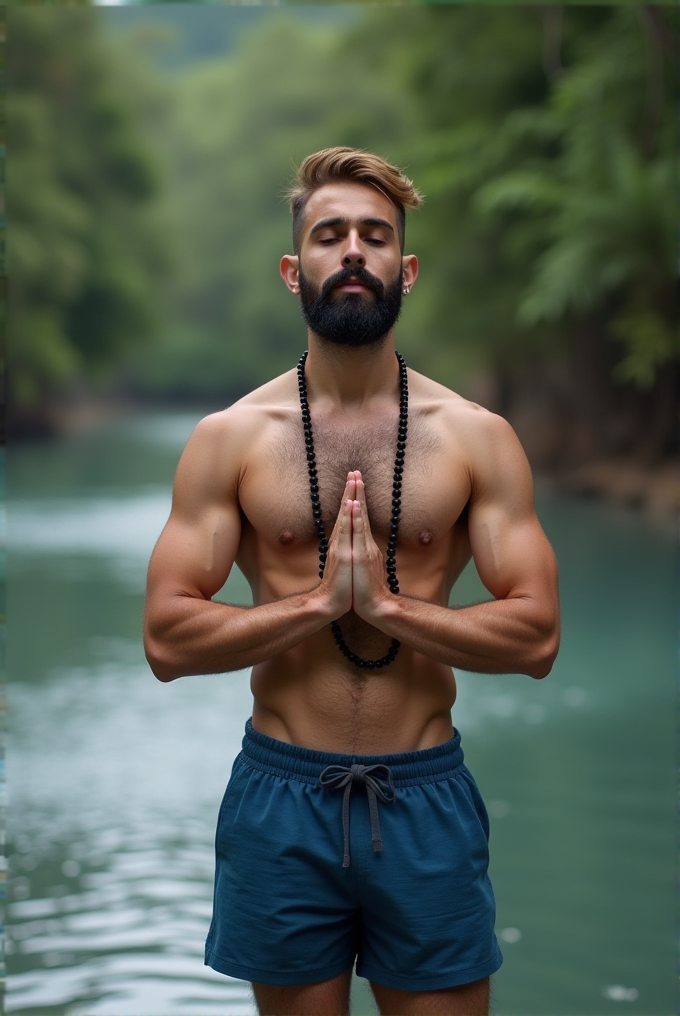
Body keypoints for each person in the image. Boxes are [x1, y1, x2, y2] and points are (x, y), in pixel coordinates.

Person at [144, 146, 560, 1016]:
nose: (354, 253)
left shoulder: (477, 436)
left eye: (375, 236)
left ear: (405, 268)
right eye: (330, 235)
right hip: (280, 799)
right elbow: (167, 640)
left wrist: (387, 609)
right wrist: (321, 605)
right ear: (295, 270)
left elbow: (537, 637)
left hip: (425, 793)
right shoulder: (232, 438)